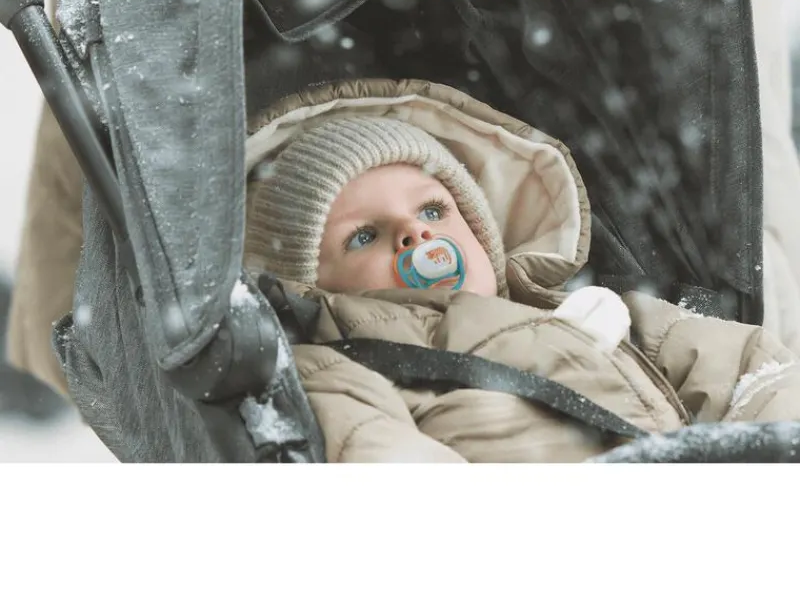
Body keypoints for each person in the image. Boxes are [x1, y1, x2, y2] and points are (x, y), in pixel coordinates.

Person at [241, 79, 800, 462]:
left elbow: (756, 371)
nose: (416, 235)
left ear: (481, 231)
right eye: (365, 235)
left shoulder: (598, 315)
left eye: (432, 210)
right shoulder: (332, 371)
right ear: (307, 287)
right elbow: (382, 457)